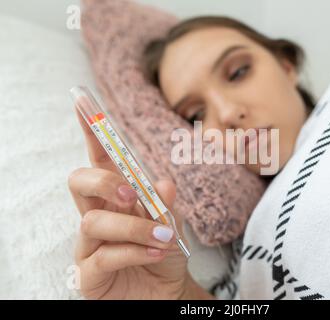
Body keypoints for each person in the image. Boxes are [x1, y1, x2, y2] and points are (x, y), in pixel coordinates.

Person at [67, 15, 314, 299]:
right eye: (196, 114)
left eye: (237, 73)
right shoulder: (251, 252)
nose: (227, 114)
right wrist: (179, 296)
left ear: (286, 65)